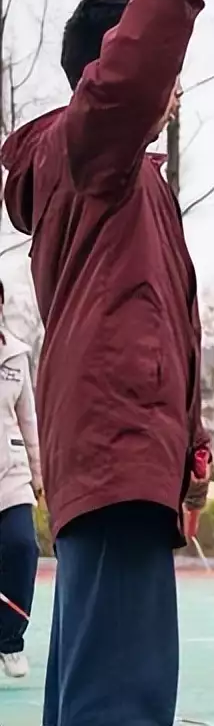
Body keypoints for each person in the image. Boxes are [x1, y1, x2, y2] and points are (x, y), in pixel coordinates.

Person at [0, 0, 214, 724]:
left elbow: (166, 324)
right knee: (121, 684)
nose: (172, 93)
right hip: (113, 433)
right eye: (165, 75)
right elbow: (124, 86)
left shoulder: (119, 182)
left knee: (98, 665)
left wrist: (190, 454)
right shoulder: (91, 149)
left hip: (125, 441)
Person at [0, 279, 41, 680]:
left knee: (22, 548)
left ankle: (10, 640)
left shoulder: (16, 355)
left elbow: (28, 419)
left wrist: (40, 475)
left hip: (12, 475)